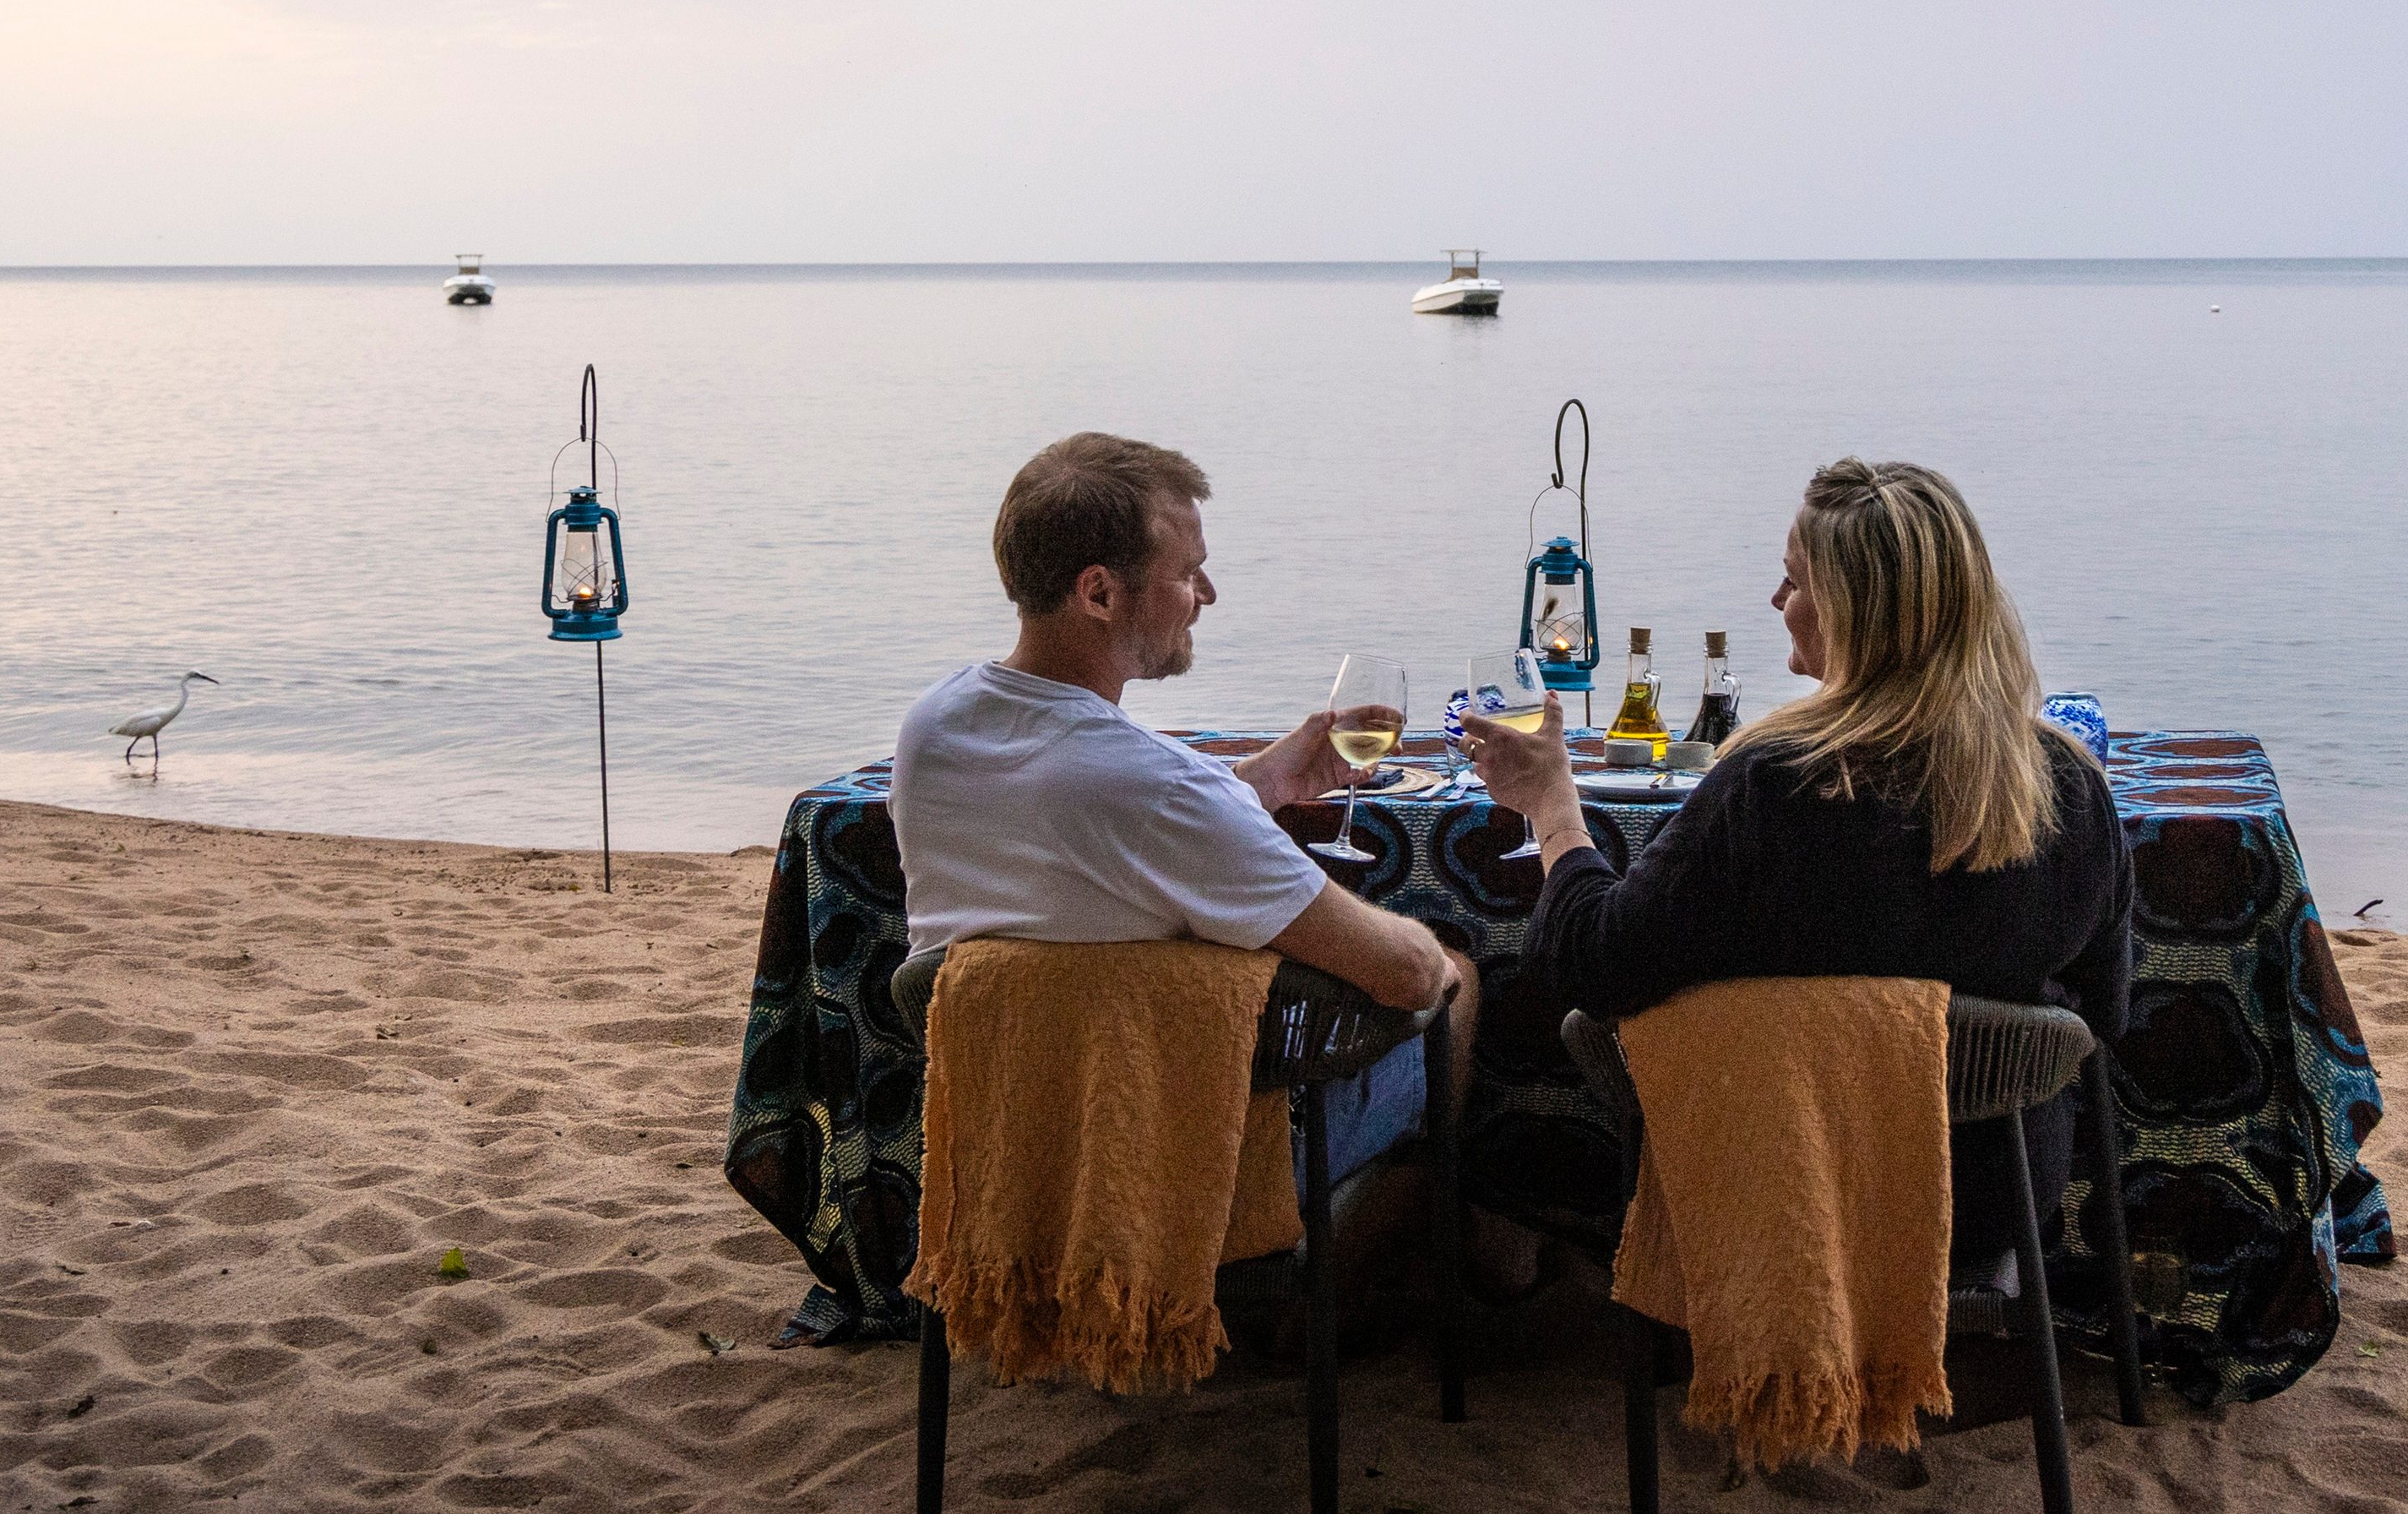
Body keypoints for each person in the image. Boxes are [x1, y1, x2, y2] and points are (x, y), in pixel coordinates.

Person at [1476, 455, 2126, 1274]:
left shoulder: (1772, 787)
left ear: (1854, 613)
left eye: (1793, 582)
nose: (1776, 603)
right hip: (1989, 1205)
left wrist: (1551, 808)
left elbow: (1586, 962)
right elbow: (2104, 1015)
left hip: (1784, 1191)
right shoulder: (2070, 787)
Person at [894, 429, 1462, 1023]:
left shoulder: (933, 725)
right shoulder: (1164, 791)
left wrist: (1258, 783)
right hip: (1162, 1094)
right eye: (1189, 573)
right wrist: (1439, 965)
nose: (1208, 595)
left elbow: (1095, 830)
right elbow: (1406, 974)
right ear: (1098, 593)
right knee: (1454, 973)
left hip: (983, 1079)